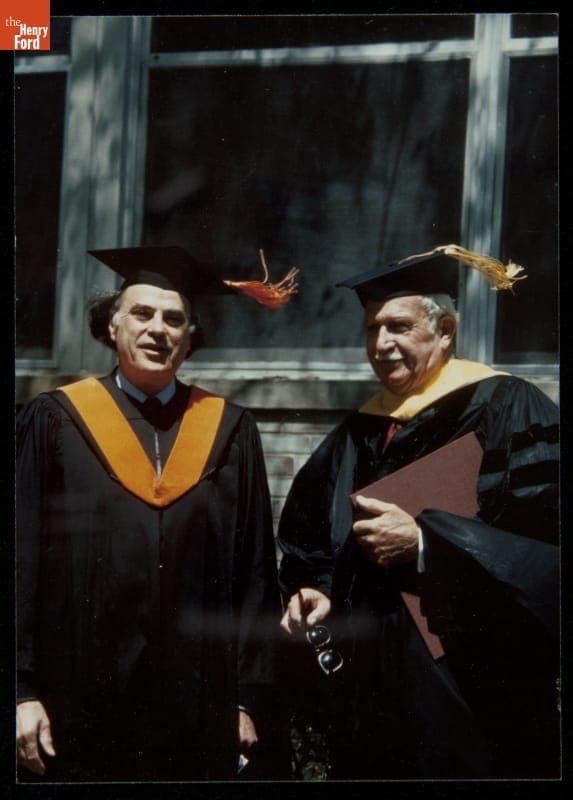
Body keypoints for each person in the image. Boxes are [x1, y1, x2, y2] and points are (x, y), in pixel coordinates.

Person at [16, 245, 298, 782]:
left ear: (190, 337)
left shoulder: (230, 430)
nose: (157, 329)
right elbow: (21, 559)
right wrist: (20, 689)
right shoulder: (55, 420)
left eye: (173, 319)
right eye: (141, 313)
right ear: (113, 325)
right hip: (77, 695)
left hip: (198, 702)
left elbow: (255, 576)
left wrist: (248, 699)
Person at [278, 244, 560, 780]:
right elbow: (310, 539)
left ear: (445, 331)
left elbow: (540, 547)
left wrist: (428, 543)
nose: (381, 344)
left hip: (469, 686)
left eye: (399, 327)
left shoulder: (506, 406)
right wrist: (317, 589)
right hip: (371, 686)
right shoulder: (357, 431)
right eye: (371, 329)